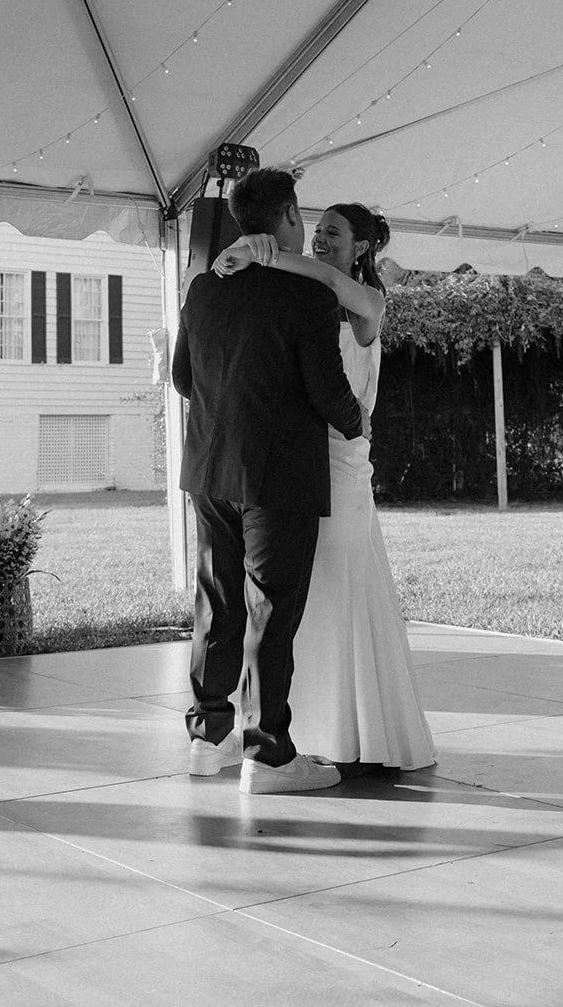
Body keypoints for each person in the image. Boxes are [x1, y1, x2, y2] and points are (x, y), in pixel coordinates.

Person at [214, 202, 435, 773]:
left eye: (332, 232)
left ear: (362, 246)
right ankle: (298, 729)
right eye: (315, 232)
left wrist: (269, 252)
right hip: (299, 466)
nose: (319, 240)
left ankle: (348, 734)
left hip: (343, 468)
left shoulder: (367, 305)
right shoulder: (302, 304)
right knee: (296, 605)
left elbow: (334, 282)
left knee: (336, 591)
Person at [172, 167, 366, 795]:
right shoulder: (307, 296)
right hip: (276, 474)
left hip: (209, 470)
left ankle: (209, 739)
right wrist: (357, 419)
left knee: (218, 601)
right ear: (288, 216)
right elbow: (326, 389)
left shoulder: (202, 289)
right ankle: (270, 752)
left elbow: (182, 379)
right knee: (271, 611)